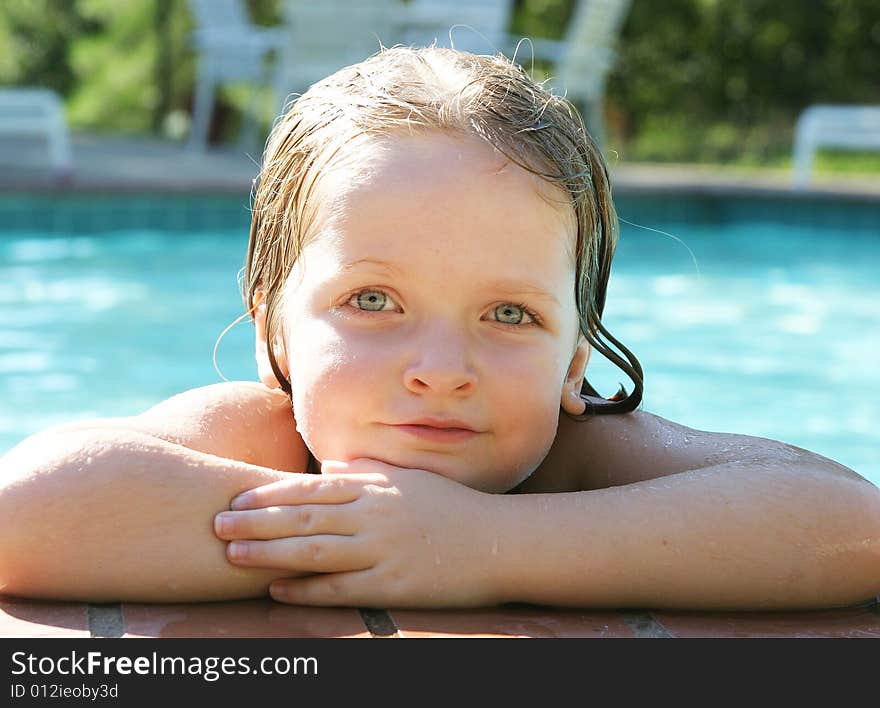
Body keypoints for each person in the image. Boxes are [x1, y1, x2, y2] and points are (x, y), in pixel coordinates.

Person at [1, 46, 878, 611]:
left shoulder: (582, 459)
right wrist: (365, 535)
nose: (441, 369)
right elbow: (21, 515)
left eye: (509, 315)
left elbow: (849, 523)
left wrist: (484, 546)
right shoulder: (259, 435)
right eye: (373, 302)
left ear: (572, 364)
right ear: (275, 335)